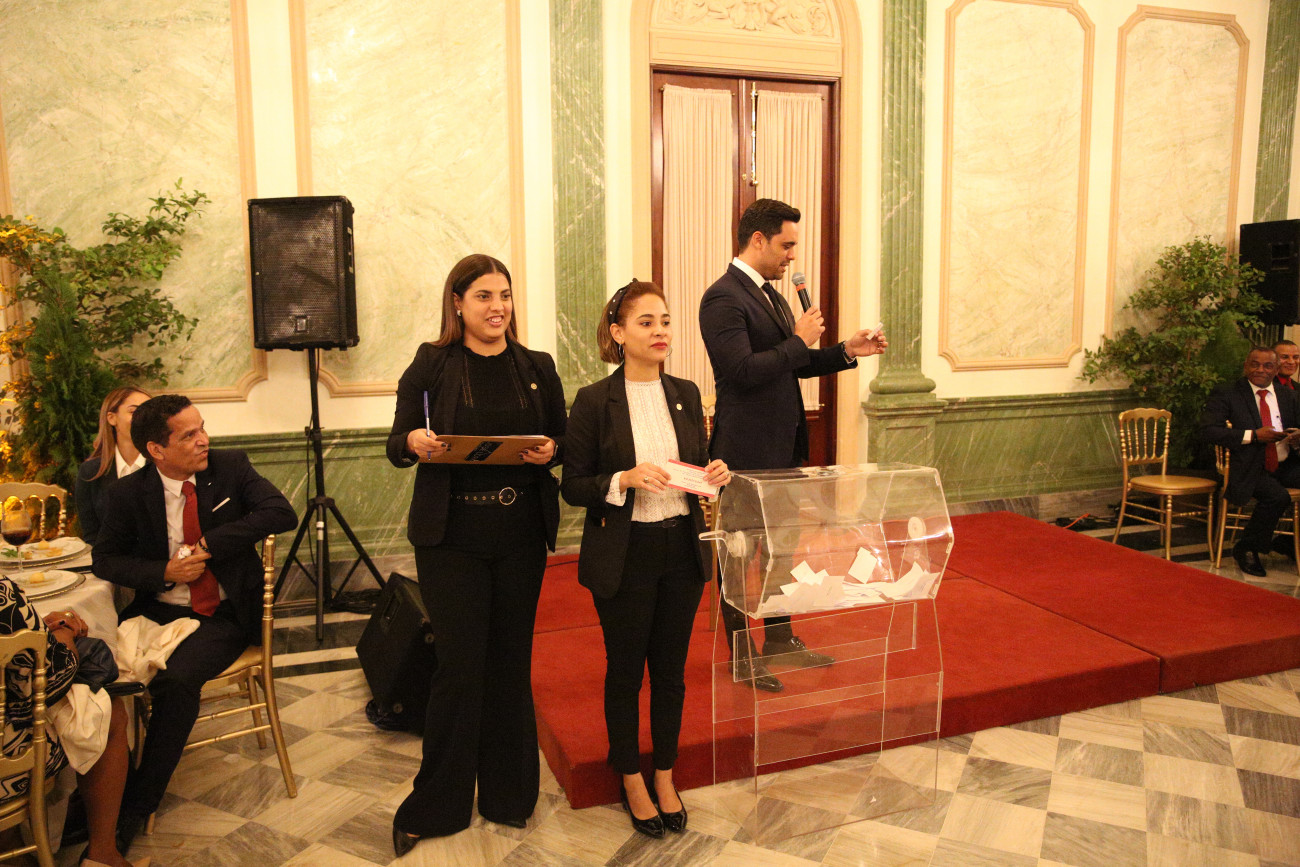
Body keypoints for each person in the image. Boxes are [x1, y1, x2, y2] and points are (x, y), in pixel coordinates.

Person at [387, 253, 566, 856]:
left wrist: (552, 450)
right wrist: (415, 441)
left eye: (505, 295)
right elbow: (397, 441)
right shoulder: (431, 362)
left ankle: (509, 796)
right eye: (484, 296)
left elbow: (564, 437)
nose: (498, 307)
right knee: (460, 667)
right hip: (452, 539)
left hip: (519, 534)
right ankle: (437, 805)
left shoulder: (536, 366)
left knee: (510, 664)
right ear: (457, 303)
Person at [91, 395, 297, 851]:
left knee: (176, 681)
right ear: (156, 450)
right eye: (189, 435)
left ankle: (134, 806)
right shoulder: (128, 494)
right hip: (160, 610)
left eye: (202, 427)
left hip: (222, 614)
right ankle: (96, 795)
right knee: (97, 675)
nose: (204, 439)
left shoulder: (229, 467)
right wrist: (163, 572)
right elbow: (104, 560)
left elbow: (281, 513)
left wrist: (209, 544)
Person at [699, 197, 888, 692]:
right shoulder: (722, 298)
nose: (792, 256)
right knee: (740, 556)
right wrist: (798, 341)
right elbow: (742, 371)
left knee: (782, 549)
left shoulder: (771, 296)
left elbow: (793, 365)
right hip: (743, 452)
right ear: (758, 239)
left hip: (784, 448)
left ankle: (780, 639)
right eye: (786, 245)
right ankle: (743, 655)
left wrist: (846, 351)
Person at [562, 281, 728, 838]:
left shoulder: (685, 392)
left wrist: (714, 475)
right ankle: (630, 776)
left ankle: (664, 774)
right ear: (618, 333)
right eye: (646, 323)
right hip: (626, 552)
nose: (660, 332)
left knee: (672, 673)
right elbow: (573, 485)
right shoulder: (594, 401)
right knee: (626, 672)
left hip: (681, 548)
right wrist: (623, 479)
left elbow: (696, 467)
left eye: (665, 321)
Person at [0, 579, 144, 867]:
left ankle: (12, 840)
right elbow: (55, 676)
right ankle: (103, 855)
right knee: (105, 710)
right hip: (7, 768)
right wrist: (64, 630)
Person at [1202, 346, 1300, 577]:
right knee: (1277, 496)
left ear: (1276, 369)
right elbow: (1208, 431)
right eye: (1255, 364)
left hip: (1285, 463)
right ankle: (1247, 548)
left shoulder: (1288, 395)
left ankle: (1287, 543)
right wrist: (1253, 435)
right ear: (1246, 366)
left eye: (1267, 366)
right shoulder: (1228, 393)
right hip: (1247, 465)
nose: (1260, 370)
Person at [75, 387, 153, 545]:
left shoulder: (165, 466)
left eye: (149, 413)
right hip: (109, 558)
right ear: (112, 418)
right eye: (134, 411)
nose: (144, 419)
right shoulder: (90, 472)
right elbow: (91, 535)